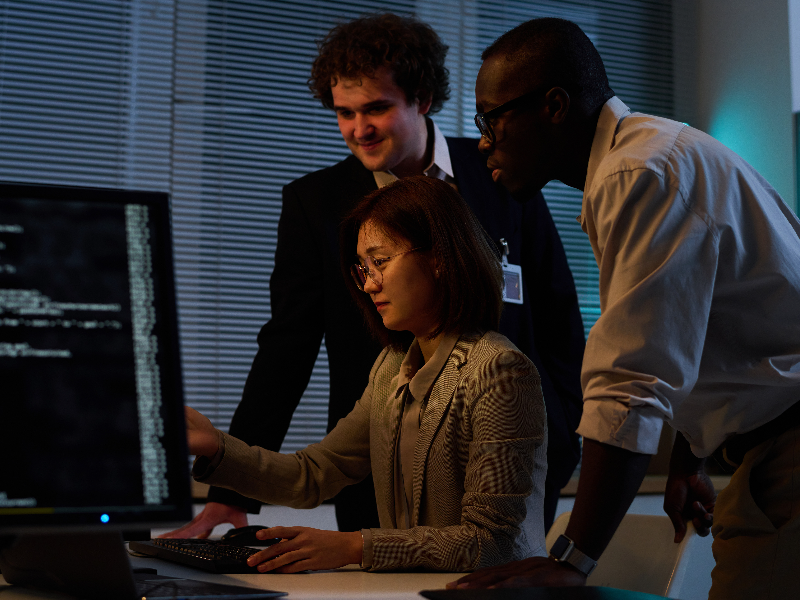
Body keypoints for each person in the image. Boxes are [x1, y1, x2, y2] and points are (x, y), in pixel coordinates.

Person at [164, 12, 584, 539]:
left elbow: (558, 315)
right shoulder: (315, 204)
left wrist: (567, 435)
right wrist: (230, 495)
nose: (358, 129)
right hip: (373, 462)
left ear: (422, 98)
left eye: (377, 108)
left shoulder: (501, 171)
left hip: (508, 456)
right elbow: (285, 349)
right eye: (343, 113)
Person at [447, 17, 800, 599]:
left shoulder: (639, 174)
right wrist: (688, 458)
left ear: (554, 105)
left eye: (492, 118)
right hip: (765, 446)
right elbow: (691, 328)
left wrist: (572, 557)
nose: (484, 140)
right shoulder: (649, 155)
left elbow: (631, 377)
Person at [184, 176, 548, 573]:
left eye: (381, 261)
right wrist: (215, 446)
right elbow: (314, 474)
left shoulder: (499, 370)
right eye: (362, 267)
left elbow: (489, 542)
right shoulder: (392, 367)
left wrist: (356, 546)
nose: (369, 283)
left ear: (439, 258)